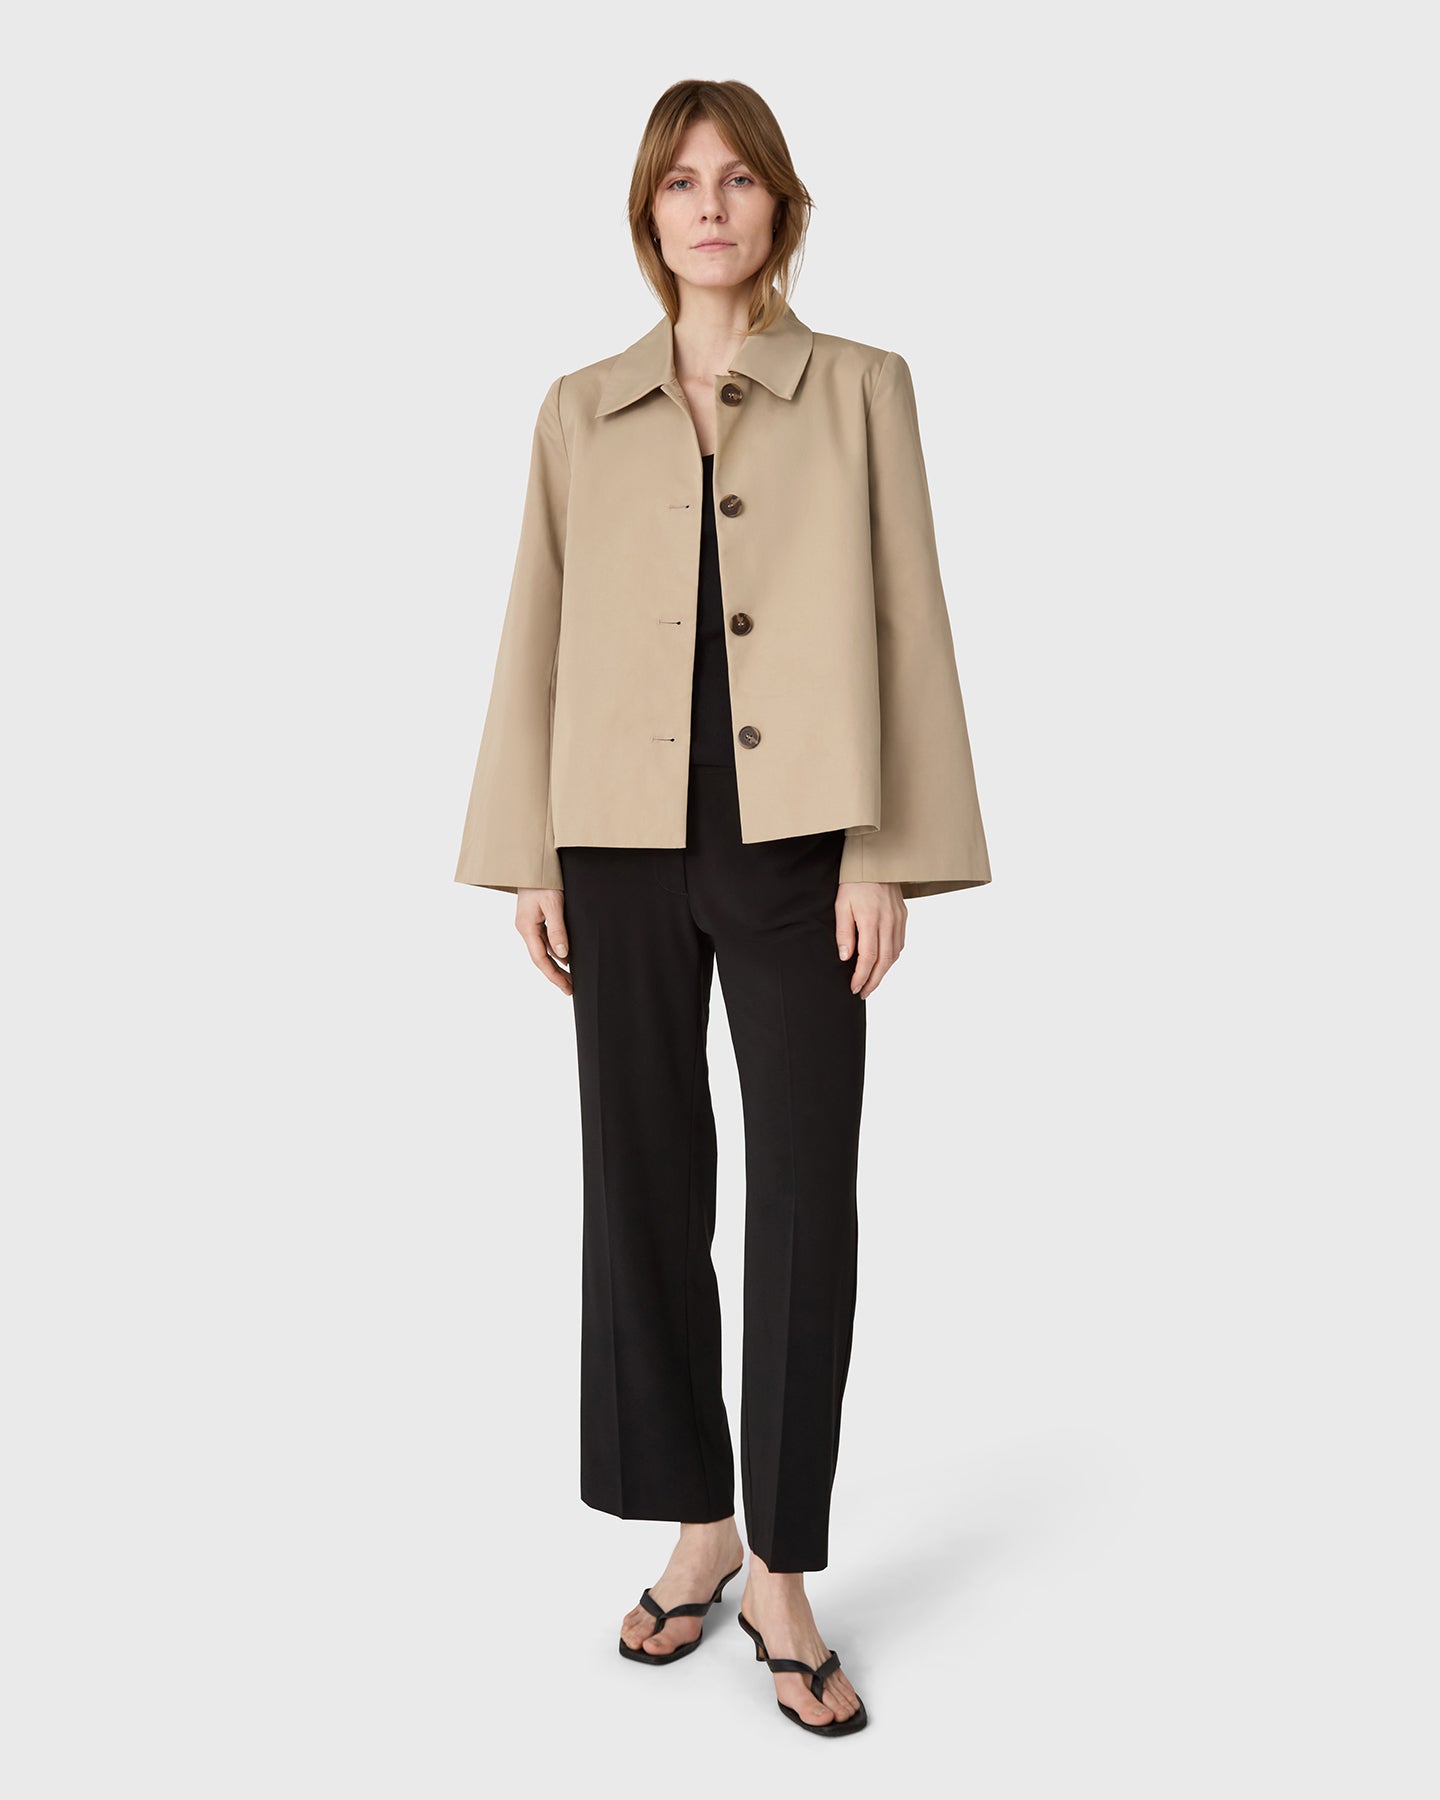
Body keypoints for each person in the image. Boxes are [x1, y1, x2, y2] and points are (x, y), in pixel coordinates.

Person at [453, 78, 991, 1737]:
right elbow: (535, 624)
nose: (710, 205)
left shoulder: (862, 389)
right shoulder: (578, 408)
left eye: (739, 179)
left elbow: (907, 622)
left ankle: (784, 1571)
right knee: (641, 1181)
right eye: (681, 181)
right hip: (610, 838)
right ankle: (698, 1525)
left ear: (780, 208)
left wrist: (884, 846)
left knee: (804, 1192)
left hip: (801, 843)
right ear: (648, 212)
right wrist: (529, 851)